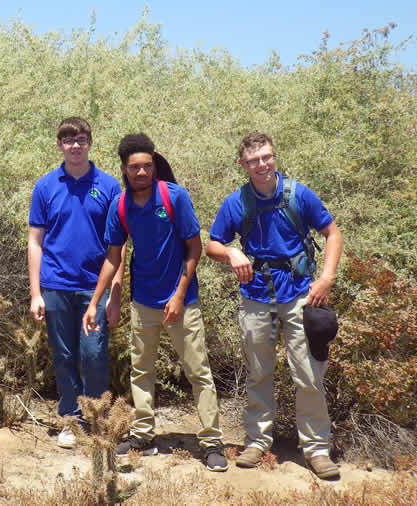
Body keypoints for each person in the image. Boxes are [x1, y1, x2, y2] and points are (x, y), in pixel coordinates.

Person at [83, 134, 227, 472]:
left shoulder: (173, 197)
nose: (142, 172)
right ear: (124, 169)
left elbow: (194, 249)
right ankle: (144, 435)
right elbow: (112, 257)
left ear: (154, 165)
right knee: (141, 370)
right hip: (143, 302)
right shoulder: (120, 205)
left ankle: (211, 442)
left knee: (198, 372)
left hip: (182, 301)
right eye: (135, 167)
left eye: (147, 165)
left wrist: (179, 295)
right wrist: (97, 301)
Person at [206, 132, 344, 480]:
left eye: (266, 157)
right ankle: (257, 442)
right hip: (256, 294)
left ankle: (316, 450)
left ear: (274, 156)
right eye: (253, 161)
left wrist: (326, 278)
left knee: (309, 375)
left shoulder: (299, 194)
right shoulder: (236, 202)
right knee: (258, 372)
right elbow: (212, 244)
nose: (262, 165)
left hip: (300, 293)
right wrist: (232, 251)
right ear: (243, 165)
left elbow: (333, 233)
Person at [28, 117, 124, 449]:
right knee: (64, 355)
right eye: (68, 139)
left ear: (91, 143)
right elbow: (35, 241)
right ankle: (70, 419)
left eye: (81, 139)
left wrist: (115, 294)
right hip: (55, 284)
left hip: (94, 288)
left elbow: (118, 246)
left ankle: (96, 420)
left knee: (94, 354)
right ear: (59, 145)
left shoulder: (109, 186)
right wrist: (35, 293)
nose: (75, 145)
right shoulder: (45, 186)